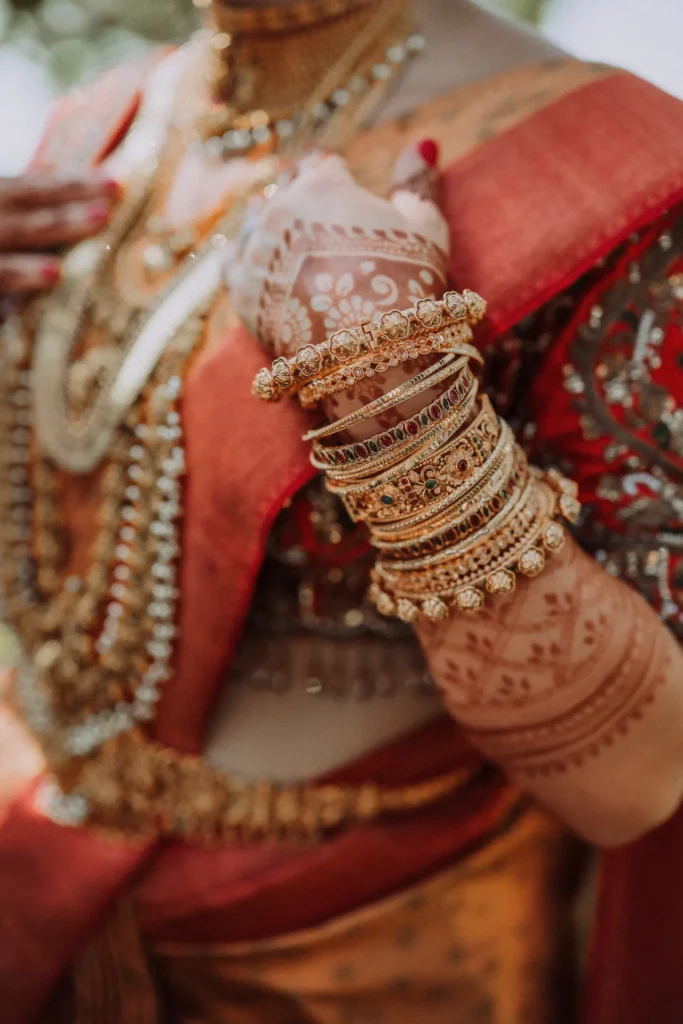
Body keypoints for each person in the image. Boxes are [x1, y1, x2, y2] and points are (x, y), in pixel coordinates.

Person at [0, 1, 683, 1022]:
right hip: (42, 893)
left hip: (362, 962)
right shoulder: (106, 122)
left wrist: (394, 395)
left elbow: (638, 776)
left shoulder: (597, 161)